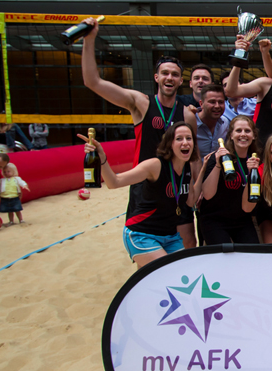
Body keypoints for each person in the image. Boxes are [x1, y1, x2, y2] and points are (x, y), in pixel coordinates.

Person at [81, 17, 199, 249]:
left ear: (181, 81)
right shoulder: (141, 103)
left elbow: (193, 155)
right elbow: (92, 82)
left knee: (188, 245)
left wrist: (195, 184)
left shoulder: (187, 115)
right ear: (157, 78)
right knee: (149, 242)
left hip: (177, 186)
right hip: (147, 183)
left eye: (175, 75)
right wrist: (89, 39)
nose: (169, 78)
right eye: (165, 73)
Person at [78, 122, 206, 269]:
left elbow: (190, 201)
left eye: (189, 138)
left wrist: (202, 171)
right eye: (179, 138)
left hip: (170, 237)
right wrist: (102, 157)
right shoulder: (155, 165)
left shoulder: (186, 167)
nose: (185, 142)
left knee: (183, 273)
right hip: (142, 234)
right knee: (169, 272)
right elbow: (114, 182)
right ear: (170, 143)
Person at [199, 116, 260, 245]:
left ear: (254, 136)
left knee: (253, 256)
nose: (243, 134)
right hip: (214, 219)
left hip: (242, 220)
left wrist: (251, 173)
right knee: (224, 256)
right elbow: (207, 195)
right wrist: (217, 165)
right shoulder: (218, 158)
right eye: (238, 131)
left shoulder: (255, 162)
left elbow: (248, 208)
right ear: (231, 135)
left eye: (247, 131)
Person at [195, 84, 230, 160]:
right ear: (201, 104)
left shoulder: (225, 123)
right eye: (212, 102)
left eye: (220, 102)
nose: (217, 106)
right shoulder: (192, 122)